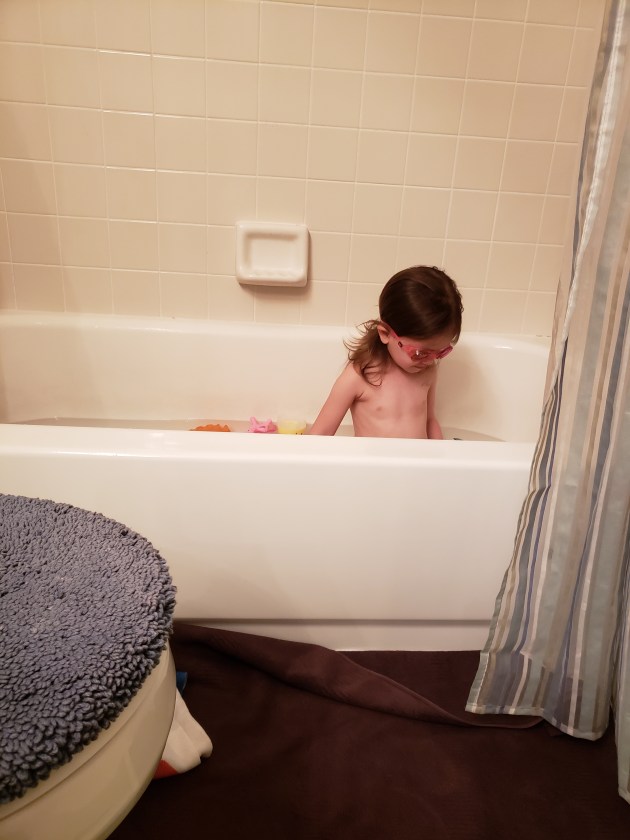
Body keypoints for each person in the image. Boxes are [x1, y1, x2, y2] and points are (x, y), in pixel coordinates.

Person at [308, 265, 463, 439]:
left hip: (419, 457)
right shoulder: (359, 377)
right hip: (374, 458)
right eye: (420, 353)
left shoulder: (428, 370)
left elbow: (430, 420)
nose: (429, 360)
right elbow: (320, 434)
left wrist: (440, 452)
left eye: (440, 352)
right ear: (385, 334)